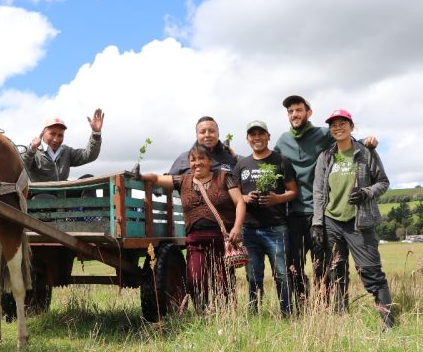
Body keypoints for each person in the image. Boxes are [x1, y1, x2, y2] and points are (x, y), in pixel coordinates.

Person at [274, 95, 378, 310]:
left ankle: (328, 307)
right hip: (294, 212)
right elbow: (268, 162)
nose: (295, 114)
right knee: (296, 264)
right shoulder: (282, 141)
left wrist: (367, 143)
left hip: (321, 212)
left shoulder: (322, 134)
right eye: (291, 111)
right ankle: (303, 307)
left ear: (308, 112)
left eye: (299, 110)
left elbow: (346, 141)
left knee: (325, 265)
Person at [312, 109, 395, 329]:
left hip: (359, 222)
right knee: (336, 270)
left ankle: (388, 322)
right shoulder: (326, 156)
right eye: (333, 125)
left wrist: (366, 192)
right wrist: (317, 223)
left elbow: (383, 182)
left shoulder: (365, 152)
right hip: (332, 222)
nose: (337, 128)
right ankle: (341, 317)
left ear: (351, 126)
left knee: (370, 271)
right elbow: (319, 191)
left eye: (342, 123)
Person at [141, 145, 245, 310]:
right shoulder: (183, 180)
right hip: (196, 242)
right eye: (193, 160)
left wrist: (237, 227)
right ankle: (202, 313)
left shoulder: (224, 177)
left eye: (201, 158)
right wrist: (141, 176)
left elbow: (239, 202)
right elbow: (156, 178)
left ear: (210, 161)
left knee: (224, 282)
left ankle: (227, 315)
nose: (197, 163)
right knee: (194, 280)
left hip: (222, 241)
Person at [233, 120, 297, 317]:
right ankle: (254, 314)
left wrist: (277, 198)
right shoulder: (241, 165)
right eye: (253, 134)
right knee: (253, 275)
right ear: (247, 139)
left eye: (261, 133)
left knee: (282, 274)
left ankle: (286, 313)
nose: (257, 138)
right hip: (250, 230)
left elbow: (293, 191)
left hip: (276, 229)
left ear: (269, 136)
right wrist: (245, 198)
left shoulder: (281, 161)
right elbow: (235, 195)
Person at [20, 108, 105, 182]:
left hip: (63, 193)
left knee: (88, 178)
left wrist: (96, 134)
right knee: (46, 197)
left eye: (60, 135)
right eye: (52, 134)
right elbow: (21, 167)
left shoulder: (67, 151)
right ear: (43, 133)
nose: (56, 139)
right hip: (41, 195)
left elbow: (89, 155)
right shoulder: (32, 150)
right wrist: (31, 150)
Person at [167, 116, 238, 175]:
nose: (207, 135)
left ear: (218, 134)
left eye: (211, 131)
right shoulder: (183, 158)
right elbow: (168, 183)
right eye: (202, 132)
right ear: (197, 135)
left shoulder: (232, 157)